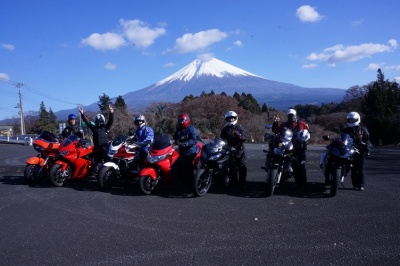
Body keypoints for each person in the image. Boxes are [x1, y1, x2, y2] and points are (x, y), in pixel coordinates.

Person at [272, 108, 310, 189]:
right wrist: (275, 122)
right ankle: (279, 179)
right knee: (284, 162)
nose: (291, 117)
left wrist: (306, 137)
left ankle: (303, 184)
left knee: (301, 166)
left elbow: (308, 132)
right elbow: (276, 131)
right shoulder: (284, 125)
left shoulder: (302, 124)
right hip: (287, 146)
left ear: (295, 115)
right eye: (289, 116)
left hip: (299, 148)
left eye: (292, 115)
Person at [79, 105, 114, 173]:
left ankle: (109, 174)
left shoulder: (105, 127)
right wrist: (82, 114)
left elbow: (110, 121)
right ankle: (98, 174)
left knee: (107, 162)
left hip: (105, 148)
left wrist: (111, 112)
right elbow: (88, 122)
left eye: (99, 121)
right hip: (97, 148)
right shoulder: (94, 128)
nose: (98, 122)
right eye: (97, 121)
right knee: (98, 163)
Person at [342, 111, 371, 191]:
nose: (352, 122)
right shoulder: (346, 130)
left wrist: (367, 150)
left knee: (361, 168)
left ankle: (361, 185)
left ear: (358, 119)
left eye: (353, 120)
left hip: (361, 152)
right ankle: (355, 185)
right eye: (350, 120)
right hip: (351, 151)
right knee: (353, 169)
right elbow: (343, 140)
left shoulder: (363, 129)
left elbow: (367, 140)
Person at [220, 111, 247, 189]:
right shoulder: (225, 129)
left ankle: (242, 184)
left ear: (235, 118)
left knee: (242, 167)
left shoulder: (240, 127)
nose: (231, 120)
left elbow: (244, 138)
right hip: (230, 149)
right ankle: (234, 183)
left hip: (240, 149)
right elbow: (221, 137)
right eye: (229, 119)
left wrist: (239, 135)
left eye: (232, 118)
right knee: (232, 167)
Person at [173, 113, 200, 186]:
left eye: (182, 120)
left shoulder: (191, 129)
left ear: (187, 120)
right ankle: (178, 181)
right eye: (179, 120)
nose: (181, 122)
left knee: (186, 167)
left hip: (190, 151)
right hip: (181, 150)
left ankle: (189, 184)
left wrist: (186, 143)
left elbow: (194, 140)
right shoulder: (179, 129)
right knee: (174, 164)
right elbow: (175, 137)